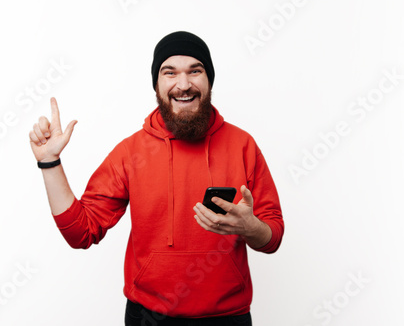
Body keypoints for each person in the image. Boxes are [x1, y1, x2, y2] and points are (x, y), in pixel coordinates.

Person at [29, 31, 284, 326]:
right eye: (170, 72)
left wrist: (252, 228)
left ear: (209, 80)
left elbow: (273, 236)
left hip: (228, 317)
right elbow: (81, 233)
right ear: (157, 84)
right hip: (148, 317)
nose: (184, 84)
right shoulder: (131, 152)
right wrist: (50, 162)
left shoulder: (243, 145)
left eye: (195, 71)